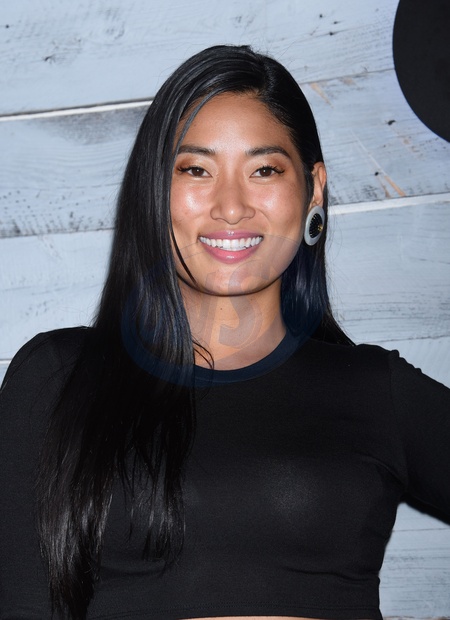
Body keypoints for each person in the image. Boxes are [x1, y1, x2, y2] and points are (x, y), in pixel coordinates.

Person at [0, 45, 449, 620]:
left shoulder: (374, 389)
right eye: (196, 170)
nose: (231, 207)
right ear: (153, 189)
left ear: (313, 189)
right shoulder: (59, 378)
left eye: (264, 170)